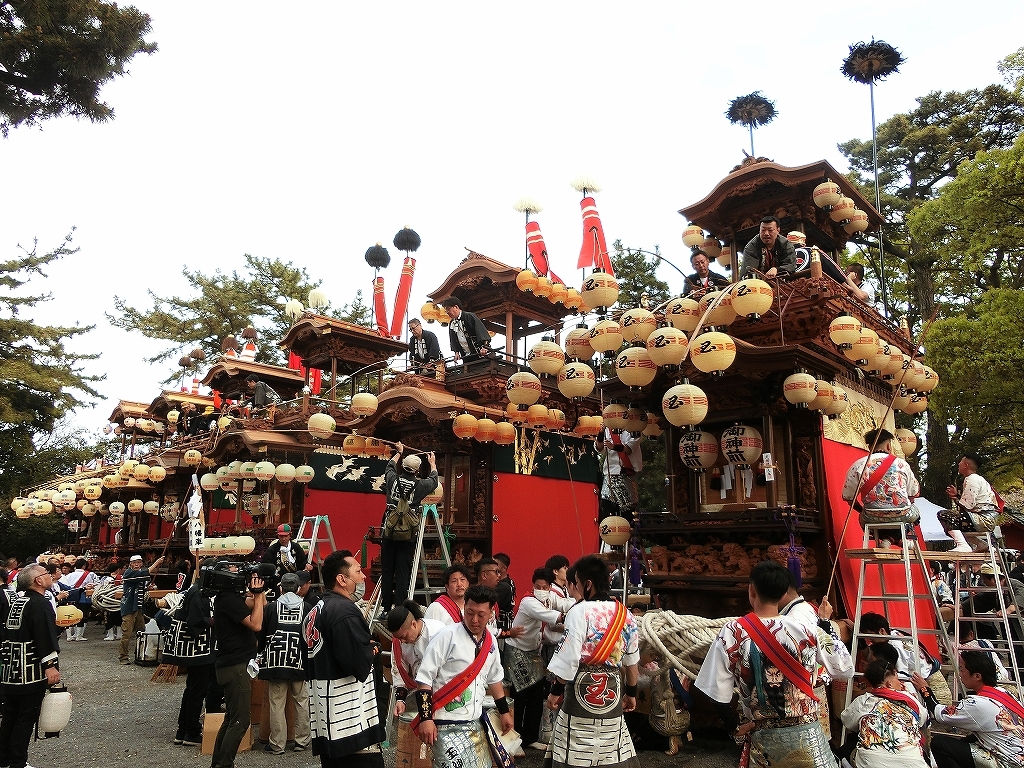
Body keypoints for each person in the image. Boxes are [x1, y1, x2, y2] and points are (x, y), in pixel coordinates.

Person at [695, 561, 854, 768]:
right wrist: (825, 624)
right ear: (783, 594)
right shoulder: (806, 629)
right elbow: (844, 668)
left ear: (751, 590)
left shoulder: (733, 631)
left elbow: (716, 692)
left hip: (764, 737)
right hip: (809, 734)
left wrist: (733, 728)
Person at [543, 554, 640, 768]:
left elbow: (568, 659)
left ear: (587, 584)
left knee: (573, 745)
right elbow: (632, 661)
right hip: (611, 692)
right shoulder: (625, 614)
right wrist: (631, 693)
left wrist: (554, 692)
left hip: (581, 689)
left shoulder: (579, 611)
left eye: (577, 583)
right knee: (611, 745)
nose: (576, 587)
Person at [414, 584, 513, 768]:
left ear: (491, 613)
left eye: (481, 615)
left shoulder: (490, 641)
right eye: (469, 612)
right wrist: (426, 719)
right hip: (444, 723)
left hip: (475, 722)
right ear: (464, 607)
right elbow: (424, 679)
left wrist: (504, 712)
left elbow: (494, 679)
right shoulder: (446, 636)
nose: (474, 620)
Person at [303, 549, 384, 767]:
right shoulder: (344, 612)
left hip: (325, 712)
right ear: (342, 579)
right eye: (358, 571)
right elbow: (356, 663)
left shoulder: (315, 610)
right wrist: (372, 649)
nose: (363, 576)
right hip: (350, 718)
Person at [913, 650, 1024, 768]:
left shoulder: (977, 704)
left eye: (962, 670)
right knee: (967, 740)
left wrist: (924, 689)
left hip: (1010, 763)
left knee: (940, 744)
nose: (960, 674)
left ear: (977, 676)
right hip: (1018, 753)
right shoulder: (1003, 692)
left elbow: (939, 713)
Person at [0, 563, 61, 768]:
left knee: (10, 715)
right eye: (46, 573)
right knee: (26, 717)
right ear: (38, 580)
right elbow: (43, 635)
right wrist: (50, 665)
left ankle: (3, 758)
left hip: (11, 669)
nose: (49, 575)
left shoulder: (18, 600)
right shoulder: (40, 603)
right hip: (29, 670)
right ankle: (18, 762)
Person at [210, 564, 267, 768]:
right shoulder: (229, 600)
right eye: (235, 572)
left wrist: (258, 591)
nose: (239, 576)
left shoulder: (227, 598)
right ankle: (224, 764)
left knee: (231, 718)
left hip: (231, 665)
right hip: (235, 667)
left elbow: (261, 603)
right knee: (240, 721)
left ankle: (218, 763)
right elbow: (256, 624)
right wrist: (257, 594)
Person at [504, 567, 564, 750]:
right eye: (537, 586)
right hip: (517, 652)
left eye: (545, 587)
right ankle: (514, 739)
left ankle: (530, 738)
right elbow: (552, 616)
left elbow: (564, 603)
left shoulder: (549, 598)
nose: (541, 590)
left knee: (536, 696)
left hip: (533, 653)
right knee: (519, 697)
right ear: (533, 586)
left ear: (550, 587)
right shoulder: (528, 602)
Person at [379, 442, 439, 614]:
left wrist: (399, 452)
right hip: (408, 534)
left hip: (389, 531)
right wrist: (432, 463)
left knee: (387, 570)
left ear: (403, 466)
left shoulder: (392, 479)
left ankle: (385, 608)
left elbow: (390, 466)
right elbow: (434, 480)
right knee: (403, 571)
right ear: (417, 470)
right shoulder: (421, 485)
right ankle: (399, 607)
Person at [163, 558, 216, 748]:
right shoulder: (199, 592)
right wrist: (213, 621)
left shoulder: (197, 589)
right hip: (196, 648)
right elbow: (195, 621)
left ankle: (183, 730)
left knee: (192, 688)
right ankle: (191, 731)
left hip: (194, 647)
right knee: (197, 690)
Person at [840, 657, 929, 768]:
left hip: (871, 765)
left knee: (848, 748)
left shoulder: (863, 701)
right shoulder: (909, 698)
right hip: (914, 764)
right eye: (897, 679)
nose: (900, 683)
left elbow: (847, 721)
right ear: (889, 683)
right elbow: (922, 718)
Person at [259, 572, 311, 755]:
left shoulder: (271, 608)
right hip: (299, 660)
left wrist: (260, 655)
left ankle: (277, 743)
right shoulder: (307, 608)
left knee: (276, 702)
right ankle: (302, 741)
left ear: (280, 588)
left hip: (276, 660)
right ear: (298, 589)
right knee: (302, 701)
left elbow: (261, 634)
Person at [841, 428, 920, 542]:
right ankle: (894, 539)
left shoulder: (858, 465)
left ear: (869, 446)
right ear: (889, 446)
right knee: (914, 514)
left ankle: (887, 539)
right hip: (901, 514)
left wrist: (863, 510)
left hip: (871, 516)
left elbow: (849, 499)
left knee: (868, 518)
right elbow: (913, 494)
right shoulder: (902, 464)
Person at [858, 612, 951, 705]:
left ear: (882, 631)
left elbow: (900, 677)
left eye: (870, 636)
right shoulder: (894, 633)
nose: (870, 641)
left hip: (931, 686)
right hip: (925, 680)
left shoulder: (895, 646)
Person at [386, 600, 445, 715]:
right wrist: (400, 699)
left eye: (404, 636)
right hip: (418, 690)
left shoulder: (438, 632)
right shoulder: (399, 642)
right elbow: (398, 670)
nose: (403, 641)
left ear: (413, 624)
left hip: (443, 690)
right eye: (399, 638)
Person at [943, 451, 1001, 552]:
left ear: (966, 465)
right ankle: (980, 544)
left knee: (945, 516)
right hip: (987, 518)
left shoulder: (971, 479)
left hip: (983, 519)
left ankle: (963, 545)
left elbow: (968, 506)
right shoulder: (977, 479)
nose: (959, 464)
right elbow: (972, 503)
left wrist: (956, 498)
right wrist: (957, 496)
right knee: (953, 526)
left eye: (961, 462)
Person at [120, 553, 164, 665]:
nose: (136, 564)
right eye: (134, 563)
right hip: (129, 607)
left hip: (138, 607)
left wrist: (146, 589)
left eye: (139, 562)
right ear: (130, 564)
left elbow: (139, 584)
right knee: (126, 633)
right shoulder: (129, 573)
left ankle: (139, 654)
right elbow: (145, 572)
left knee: (141, 632)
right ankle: (123, 656)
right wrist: (157, 563)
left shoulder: (138, 575)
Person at [597, 426, 642, 520]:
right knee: (608, 510)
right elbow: (599, 448)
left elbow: (629, 448)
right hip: (610, 474)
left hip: (626, 474)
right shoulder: (607, 429)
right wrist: (601, 433)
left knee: (627, 510)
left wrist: (613, 446)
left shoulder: (633, 427)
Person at [57, 557, 97, 641]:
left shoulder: (69, 575)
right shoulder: (90, 574)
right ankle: (79, 635)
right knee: (82, 615)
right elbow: (95, 584)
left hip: (69, 596)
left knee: (68, 615)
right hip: (83, 597)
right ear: (84, 565)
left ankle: (69, 636)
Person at [441, 297, 491, 362]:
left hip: (480, 353)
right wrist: (456, 352)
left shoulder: (469, 316)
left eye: (448, 309)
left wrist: (485, 347)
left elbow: (482, 332)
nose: (447, 312)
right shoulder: (452, 323)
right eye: (446, 311)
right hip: (466, 356)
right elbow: (453, 339)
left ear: (456, 307)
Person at [494, 553, 516, 634]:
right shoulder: (509, 581)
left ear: (504, 568)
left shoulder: (503, 586)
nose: (493, 567)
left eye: (495, 564)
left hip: (503, 627)